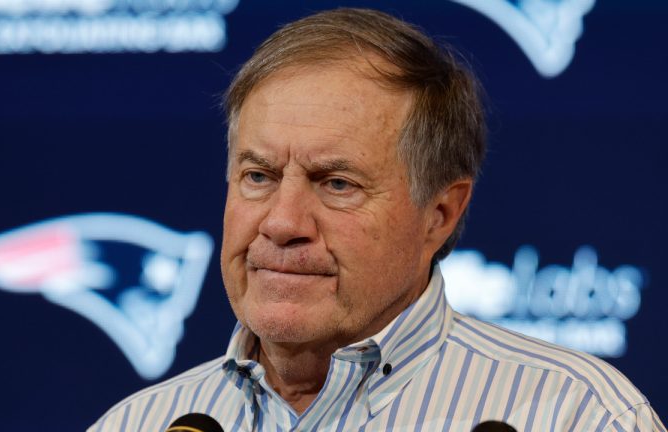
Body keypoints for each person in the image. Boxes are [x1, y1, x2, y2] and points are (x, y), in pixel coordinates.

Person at [90, 8, 664, 431]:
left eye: (337, 183)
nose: (282, 223)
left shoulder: (577, 414)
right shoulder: (138, 424)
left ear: (440, 214)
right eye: (258, 177)